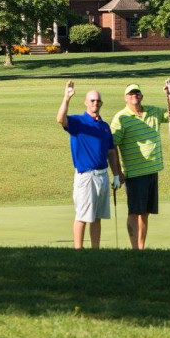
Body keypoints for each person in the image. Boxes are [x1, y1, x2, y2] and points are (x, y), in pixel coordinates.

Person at [111, 81, 170, 250]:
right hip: (134, 174)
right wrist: (118, 172)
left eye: (137, 93)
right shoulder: (121, 118)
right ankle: (135, 248)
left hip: (151, 170)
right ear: (125, 98)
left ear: (141, 96)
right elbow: (111, 146)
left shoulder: (153, 112)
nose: (134, 95)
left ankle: (141, 248)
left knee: (145, 213)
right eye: (130, 93)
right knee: (134, 212)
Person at [57, 81, 122, 249]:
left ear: (101, 103)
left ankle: (95, 250)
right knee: (83, 216)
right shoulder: (78, 122)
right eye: (92, 100)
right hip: (86, 176)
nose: (95, 103)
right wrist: (66, 98)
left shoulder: (105, 126)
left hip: (102, 176)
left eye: (98, 101)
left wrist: (116, 174)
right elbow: (60, 119)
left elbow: (110, 152)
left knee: (97, 217)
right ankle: (79, 251)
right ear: (86, 102)